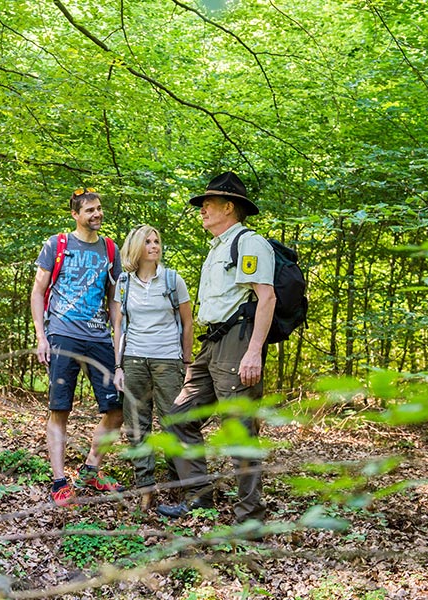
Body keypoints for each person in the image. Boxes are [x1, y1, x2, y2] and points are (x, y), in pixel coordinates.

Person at [156, 172, 275, 524]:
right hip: (212, 344)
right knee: (178, 417)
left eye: (209, 204)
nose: (202, 209)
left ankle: (249, 519)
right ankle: (200, 497)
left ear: (229, 207)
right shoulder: (218, 248)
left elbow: (266, 298)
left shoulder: (249, 244)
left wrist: (254, 351)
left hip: (237, 343)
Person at [30, 187, 125, 507]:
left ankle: (91, 470)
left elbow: (114, 300)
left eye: (99, 209)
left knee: (115, 410)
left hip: (100, 339)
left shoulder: (111, 250)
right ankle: (59, 481)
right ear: (75, 215)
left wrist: (118, 340)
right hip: (62, 334)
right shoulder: (57, 245)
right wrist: (42, 337)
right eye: (90, 210)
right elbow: (38, 290)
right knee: (60, 409)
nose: (97, 214)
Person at [111, 225, 193, 512]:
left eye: (157, 241)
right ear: (136, 247)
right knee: (136, 426)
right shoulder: (124, 282)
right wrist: (118, 365)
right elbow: (119, 327)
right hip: (133, 360)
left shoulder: (173, 280)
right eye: (148, 241)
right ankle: (145, 486)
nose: (154, 245)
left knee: (174, 423)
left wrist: (187, 363)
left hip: (168, 361)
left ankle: (178, 487)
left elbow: (187, 324)